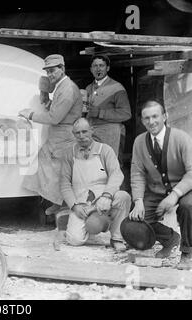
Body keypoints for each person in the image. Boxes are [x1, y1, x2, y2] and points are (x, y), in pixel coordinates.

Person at [129, 100, 192, 269]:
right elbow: (137, 173)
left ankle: (188, 251)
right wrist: (138, 201)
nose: (151, 122)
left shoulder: (181, 138)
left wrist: (175, 194)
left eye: (155, 116)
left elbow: (191, 172)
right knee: (133, 223)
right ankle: (170, 238)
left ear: (165, 116)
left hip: (184, 189)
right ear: (142, 121)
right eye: (146, 118)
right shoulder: (139, 141)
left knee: (188, 206)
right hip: (157, 192)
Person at [18, 54, 82, 215]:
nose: (50, 75)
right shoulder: (61, 86)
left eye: (53, 70)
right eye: (48, 72)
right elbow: (56, 110)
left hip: (65, 136)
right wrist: (45, 98)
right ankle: (58, 201)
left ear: (62, 69)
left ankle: (66, 206)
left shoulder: (67, 88)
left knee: (62, 172)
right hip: (58, 135)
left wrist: (30, 114)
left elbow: (55, 118)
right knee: (49, 168)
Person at [60, 118, 130, 251]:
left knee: (123, 197)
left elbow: (116, 174)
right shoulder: (69, 154)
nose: (81, 136)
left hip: (103, 200)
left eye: (85, 132)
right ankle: (92, 225)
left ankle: (117, 237)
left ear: (92, 130)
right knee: (75, 240)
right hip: (82, 204)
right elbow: (64, 183)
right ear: (73, 134)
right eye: (77, 133)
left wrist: (107, 195)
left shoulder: (105, 150)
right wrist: (74, 206)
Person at [85, 54, 132, 160]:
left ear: (108, 68)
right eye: (95, 66)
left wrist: (100, 113)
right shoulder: (88, 89)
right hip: (92, 134)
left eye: (101, 65)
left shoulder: (117, 88)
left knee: (110, 166)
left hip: (110, 135)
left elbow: (126, 114)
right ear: (91, 69)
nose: (98, 69)